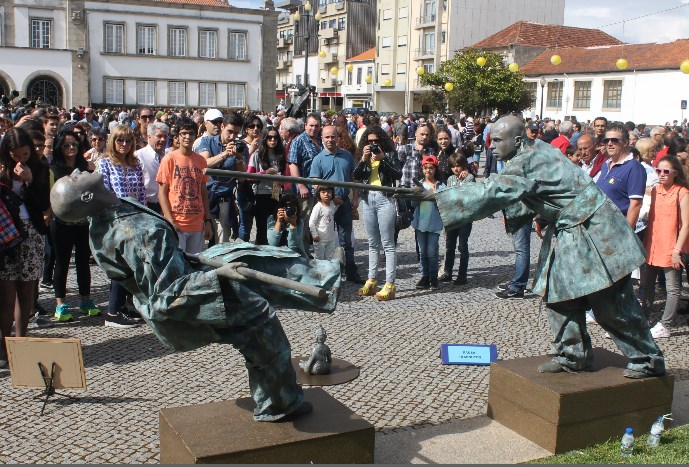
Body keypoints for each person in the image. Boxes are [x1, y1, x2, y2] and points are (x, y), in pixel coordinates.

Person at [50, 169, 341, 421]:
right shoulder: (137, 234)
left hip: (187, 268)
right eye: (72, 179)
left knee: (251, 256)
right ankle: (279, 404)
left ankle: (324, 282)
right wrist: (217, 275)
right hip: (191, 292)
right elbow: (167, 293)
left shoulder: (110, 210)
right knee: (261, 327)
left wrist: (189, 257)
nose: (76, 172)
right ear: (86, 198)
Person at [399, 115, 666, 379]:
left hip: (593, 228)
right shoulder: (537, 150)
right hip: (571, 227)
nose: (490, 146)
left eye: (497, 140)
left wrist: (436, 195)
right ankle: (572, 356)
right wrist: (540, 215)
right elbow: (535, 190)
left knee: (610, 301)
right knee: (558, 294)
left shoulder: (527, 161)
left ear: (517, 140)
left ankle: (647, 359)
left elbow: (492, 191)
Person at [0, 128, 50, 366]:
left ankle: (21, 345)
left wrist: (29, 182)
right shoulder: (2, 169)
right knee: (6, 296)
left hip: (31, 232)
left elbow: (43, 204)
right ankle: (3, 347)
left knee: (26, 294)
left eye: (25, 153)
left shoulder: (40, 168)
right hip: (5, 235)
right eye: (15, 155)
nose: (20, 159)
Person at [97, 124, 147, 328]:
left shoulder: (135, 164)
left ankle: (126, 306)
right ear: (113, 141)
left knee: (132, 264)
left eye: (128, 140)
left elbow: (141, 192)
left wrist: (144, 215)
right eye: (120, 140)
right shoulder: (105, 164)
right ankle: (112, 311)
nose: (124, 144)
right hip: (115, 220)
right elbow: (106, 193)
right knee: (119, 264)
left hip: (135, 218)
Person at [50, 130, 99, 322]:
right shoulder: (54, 169)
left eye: (74, 145)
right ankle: (60, 303)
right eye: (66, 145)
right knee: (61, 263)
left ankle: (85, 300)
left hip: (82, 221)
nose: (71, 148)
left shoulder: (85, 167)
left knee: (83, 262)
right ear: (59, 148)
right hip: (61, 223)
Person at [641, 156, 689, 339]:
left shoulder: (682, 192)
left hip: (671, 246)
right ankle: (643, 319)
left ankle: (665, 324)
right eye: (658, 170)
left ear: (675, 173)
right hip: (653, 245)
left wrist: (677, 250)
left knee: (672, 288)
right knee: (646, 286)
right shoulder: (655, 190)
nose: (661, 174)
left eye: (666, 171)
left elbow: (686, 225)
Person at [309, 125, 363, 284]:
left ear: (337, 138)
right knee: (325, 239)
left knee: (347, 239)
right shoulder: (318, 159)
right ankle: (329, 272)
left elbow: (354, 179)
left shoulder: (347, 156)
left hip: (345, 203)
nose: (330, 140)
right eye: (327, 137)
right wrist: (331, 199)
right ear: (322, 139)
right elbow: (314, 183)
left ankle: (351, 271)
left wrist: (354, 199)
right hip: (326, 205)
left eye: (333, 137)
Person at [353, 126, 401, 301]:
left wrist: (383, 159)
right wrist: (364, 159)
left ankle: (390, 284)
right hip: (367, 199)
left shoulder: (390, 155)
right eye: (370, 141)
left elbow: (398, 173)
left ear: (382, 141)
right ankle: (372, 280)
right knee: (373, 243)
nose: (373, 144)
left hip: (385, 198)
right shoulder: (364, 156)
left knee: (388, 243)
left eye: (376, 141)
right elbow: (356, 176)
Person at [156, 118, 213, 255]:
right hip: (177, 223)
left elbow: (203, 192)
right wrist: (170, 221)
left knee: (194, 265)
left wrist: (208, 220)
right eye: (184, 133)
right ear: (178, 136)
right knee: (177, 264)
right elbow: (162, 193)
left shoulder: (201, 160)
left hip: (197, 223)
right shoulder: (169, 159)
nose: (188, 137)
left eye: (191, 133)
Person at [247, 126, 289, 245]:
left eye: (275, 138)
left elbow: (285, 177)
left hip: (276, 193)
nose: (272, 140)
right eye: (269, 137)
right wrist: (264, 173)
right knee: (261, 228)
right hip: (261, 194)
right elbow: (249, 177)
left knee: (277, 225)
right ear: (264, 138)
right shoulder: (256, 155)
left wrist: (281, 181)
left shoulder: (281, 156)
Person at [439, 152, 474, 285]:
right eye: (453, 166)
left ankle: (462, 274)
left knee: (462, 246)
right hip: (452, 217)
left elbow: (464, 194)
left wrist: (464, 177)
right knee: (449, 246)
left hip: (464, 217)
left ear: (463, 166)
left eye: (458, 166)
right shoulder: (450, 179)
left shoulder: (469, 178)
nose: (456, 169)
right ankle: (447, 272)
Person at [412, 155, 445, 290]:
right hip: (420, 223)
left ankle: (433, 277)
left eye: (431, 168)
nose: (428, 171)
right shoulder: (419, 184)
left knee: (432, 252)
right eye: (426, 168)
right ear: (422, 169)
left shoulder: (441, 186)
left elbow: (445, 203)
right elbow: (413, 203)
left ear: (435, 169)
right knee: (422, 251)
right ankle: (424, 276)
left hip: (434, 224)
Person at [135, 121, 169, 214]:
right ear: (149, 136)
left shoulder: (168, 156)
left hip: (165, 206)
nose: (162, 140)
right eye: (159, 136)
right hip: (146, 206)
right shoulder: (139, 156)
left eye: (165, 137)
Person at [267, 193, 306, 257]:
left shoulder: (299, 222)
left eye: (292, 209)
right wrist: (278, 222)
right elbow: (272, 244)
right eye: (286, 208)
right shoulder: (272, 219)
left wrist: (293, 225)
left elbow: (293, 247)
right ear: (280, 209)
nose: (289, 211)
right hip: (276, 255)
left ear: (297, 210)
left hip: (295, 256)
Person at [309, 185, 337, 261]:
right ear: (319, 194)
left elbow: (332, 213)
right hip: (320, 239)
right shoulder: (318, 207)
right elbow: (311, 222)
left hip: (331, 238)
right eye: (323, 192)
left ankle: (327, 272)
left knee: (329, 258)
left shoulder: (332, 204)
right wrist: (314, 235)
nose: (326, 194)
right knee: (319, 259)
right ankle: (319, 272)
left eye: (329, 192)